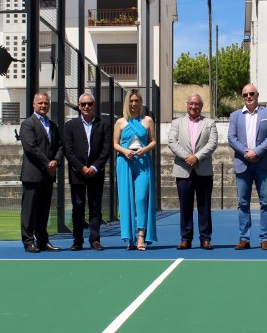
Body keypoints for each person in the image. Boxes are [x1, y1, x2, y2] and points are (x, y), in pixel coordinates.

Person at [227, 83, 267, 249]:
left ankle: (265, 238)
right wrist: (246, 153)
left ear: (257, 95)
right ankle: (245, 238)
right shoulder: (235, 115)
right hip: (243, 163)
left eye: (252, 94)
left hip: (263, 163)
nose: (249, 97)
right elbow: (231, 138)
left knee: (266, 202)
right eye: (245, 95)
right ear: (242, 97)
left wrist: (256, 152)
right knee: (243, 203)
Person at [167, 93, 218, 249]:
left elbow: (213, 143)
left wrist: (197, 157)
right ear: (187, 105)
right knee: (185, 206)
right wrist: (187, 157)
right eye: (191, 103)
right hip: (183, 170)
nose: (193, 106)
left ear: (201, 106)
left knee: (204, 206)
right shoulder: (177, 123)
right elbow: (171, 142)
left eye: (196, 104)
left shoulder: (210, 123)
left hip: (203, 170)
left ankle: (205, 239)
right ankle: (186, 239)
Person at [62, 92, 112, 251]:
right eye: (83, 104)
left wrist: (95, 167)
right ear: (78, 106)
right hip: (77, 173)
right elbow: (68, 150)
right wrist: (81, 167)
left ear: (94, 106)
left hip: (96, 173)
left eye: (89, 104)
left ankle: (95, 239)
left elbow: (106, 150)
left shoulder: (104, 125)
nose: (86, 107)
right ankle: (77, 241)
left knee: (95, 207)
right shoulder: (70, 126)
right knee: (78, 207)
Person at [19, 91, 63, 253]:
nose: (43, 105)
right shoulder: (27, 124)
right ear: (34, 104)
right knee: (29, 210)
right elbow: (31, 148)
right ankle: (29, 241)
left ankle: (43, 241)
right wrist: (47, 163)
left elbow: (60, 146)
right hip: (33, 175)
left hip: (47, 175)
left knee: (44, 211)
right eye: (40, 103)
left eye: (46, 103)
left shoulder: (52, 125)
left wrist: (56, 161)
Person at [114, 89, 157, 250]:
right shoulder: (120, 122)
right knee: (126, 199)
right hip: (124, 162)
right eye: (131, 101)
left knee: (141, 198)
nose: (134, 104)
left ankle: (141, 236)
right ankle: (129, 237)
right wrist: (125, 151)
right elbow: (115, 143)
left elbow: (153, 141)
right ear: (127, 102)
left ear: (140, 103)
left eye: (136, 101)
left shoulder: (147, 120)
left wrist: (144, 150)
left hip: (143, 162)